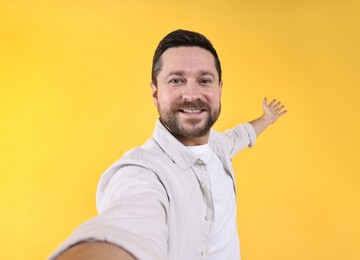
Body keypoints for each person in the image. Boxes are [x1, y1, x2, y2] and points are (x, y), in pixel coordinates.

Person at [50, 29, 287, 260]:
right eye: (176, 80)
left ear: (219, 89)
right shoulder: (142, 173)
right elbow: (128, 224)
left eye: (204, 80)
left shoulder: (219, 145)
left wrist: (267, 118)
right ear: (155, 93)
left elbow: (243, 134)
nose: (192, 95)